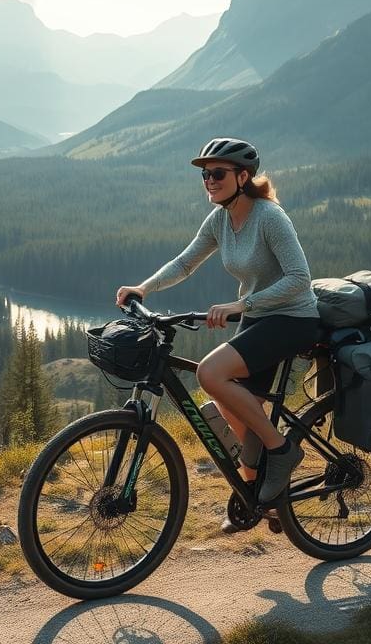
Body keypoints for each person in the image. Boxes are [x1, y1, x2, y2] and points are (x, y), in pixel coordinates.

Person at [116, 138, 320, 524]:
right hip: (260, 318)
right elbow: (185, 262)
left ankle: (282, 451)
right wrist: (144, 287)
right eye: (206, 174)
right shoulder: (221, 219)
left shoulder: (269, 217)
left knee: (211, 373)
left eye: (218, 173)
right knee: (238, 406)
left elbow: (299, 278)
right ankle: (262, 498)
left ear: (243, 177)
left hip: (293, 319)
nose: (209, 180)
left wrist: (241, 305)